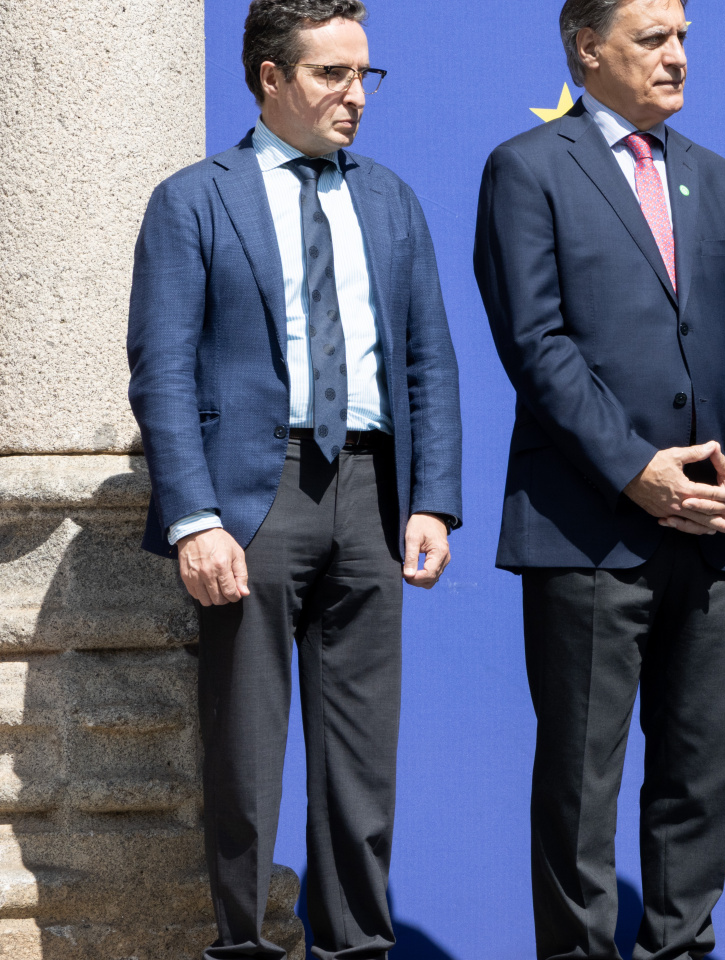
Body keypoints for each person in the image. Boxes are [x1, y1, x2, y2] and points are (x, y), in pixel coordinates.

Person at [126, 1, 463, 956]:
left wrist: (432, 496)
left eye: (367, 76)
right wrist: (193, 518)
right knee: (246, 757)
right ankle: (243, 944)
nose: (357, 96)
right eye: (332, 75)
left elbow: (428, 361)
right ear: (271, 78)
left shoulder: (391, 198)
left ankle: (355, 946)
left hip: (370, 495)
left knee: (362, 762)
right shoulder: (195, 197)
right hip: (251, 496)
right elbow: (163, 370)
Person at [473, 0, 725, 956]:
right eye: (653, 38)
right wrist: (635, 468)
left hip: (715, 522)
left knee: (699, 775)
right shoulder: (527, 169)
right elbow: (536, 344)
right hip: (588, 528)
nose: (677, 55)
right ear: (586, 48)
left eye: (684, 36)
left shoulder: (718, 179)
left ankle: (683, 947)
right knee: (582, 783)